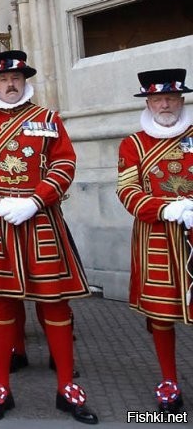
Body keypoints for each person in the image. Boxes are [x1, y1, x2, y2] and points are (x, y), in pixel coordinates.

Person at [0, 51, 98, 424]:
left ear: (25, 80)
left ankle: (67, 385)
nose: (11, 83)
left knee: (54, 303)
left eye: (17, 77)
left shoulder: (47, 119)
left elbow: (65, 162)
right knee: (1, 306)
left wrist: (37, 199)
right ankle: (1, 386)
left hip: (41, 221)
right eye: (4, 79)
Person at [116, 68, 193, 415]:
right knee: (161, 315)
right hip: (157, 240)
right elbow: (126, 190)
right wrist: (165, 209)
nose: (166, 104)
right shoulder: (133, 143)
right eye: (159, 99)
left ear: (182, 100)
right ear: (148, 101)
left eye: (172, 98)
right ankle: (169, 380)